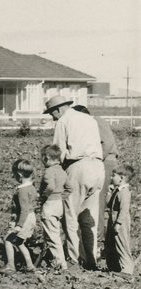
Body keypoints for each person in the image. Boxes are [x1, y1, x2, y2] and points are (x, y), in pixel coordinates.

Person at [47, 95, 104, 269]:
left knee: (70, 216)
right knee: (88, 217)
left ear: (58, 109)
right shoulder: (89, 119)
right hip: (98, 166)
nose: (52, 118)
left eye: (52, 113)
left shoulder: (63, 121)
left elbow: (57, 152)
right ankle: (91, 259)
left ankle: (75, 259)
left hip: (78, 166)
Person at [74, 105, 119, 237]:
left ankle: (98, 236)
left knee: (99, 199)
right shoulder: (90, 123)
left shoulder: (96, 121)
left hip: (105, 162)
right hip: (100, 162)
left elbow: (107, 143)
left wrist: (95, 161)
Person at [2, 159, 38, 273]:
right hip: (30, 217)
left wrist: (19, 225)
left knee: (8, 240)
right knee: (19, 242)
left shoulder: (22, 190)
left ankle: (10, 266)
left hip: (24, 219)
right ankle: (30, 266)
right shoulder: (31, 187)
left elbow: (24, 210)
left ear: (19, 174)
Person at [39, 145, 68, 270]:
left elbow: (50, 186)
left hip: (50, 204)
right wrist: (61, 197)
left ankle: (60, 264)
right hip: (59, 204)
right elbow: (70, 188)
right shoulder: (62, 171)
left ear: (46, 157)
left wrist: (43, 196)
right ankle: (56, 260)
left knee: (52, 236)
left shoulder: (49, 171)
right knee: (56, 233)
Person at [105, 165, 134, 274]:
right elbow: (109, 204)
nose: (111, 178)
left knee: (122, 243)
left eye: (114, 176)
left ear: (121, 178)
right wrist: (109, 193)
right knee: (111, 243)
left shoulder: (124, 192)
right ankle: (114, 267)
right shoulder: (117, 191)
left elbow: (124, 210)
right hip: (114, 221)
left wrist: (118, 223)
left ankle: (127, 269)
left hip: (120, 222)